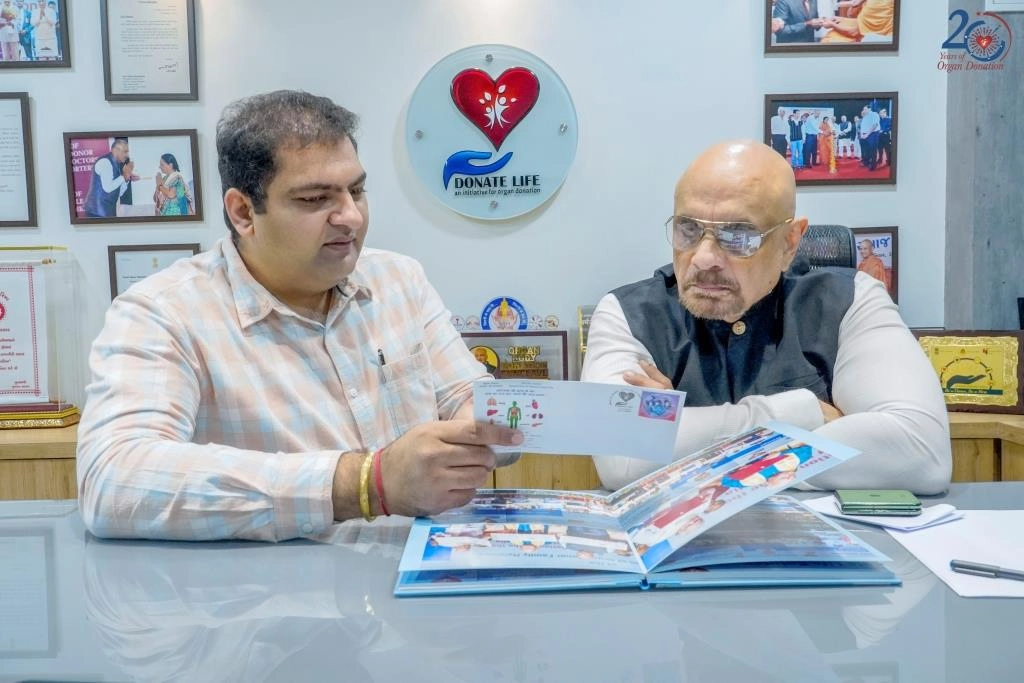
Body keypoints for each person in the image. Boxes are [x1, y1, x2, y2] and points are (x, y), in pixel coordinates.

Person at [77, 90, 524, 542]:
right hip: (276, 585)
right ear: (244, 212)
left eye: (357, 191)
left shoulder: (399, 280)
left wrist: (486, 429)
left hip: (423, 573)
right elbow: (114, 481)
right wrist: (365, 483)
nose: (351, 217)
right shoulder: (163, 313)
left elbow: (465, 397)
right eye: (315, 199)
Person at [579, 140, 951, 494]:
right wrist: (800, 413)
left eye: (738, 235)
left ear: (790, 242)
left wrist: (680, 427)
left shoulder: (849, 301)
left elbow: (921, 453)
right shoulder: (629, 314)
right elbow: (623, 458)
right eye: (688, 230)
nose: (704, 258)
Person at [83, 137, 136, 218]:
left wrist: (126, 178)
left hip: (108, 212)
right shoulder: (105, 162)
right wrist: (123, 176)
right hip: (96, 213)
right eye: (125, 152)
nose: (127, 155)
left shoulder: (118, 164)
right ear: (116, 150)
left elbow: (119, 193)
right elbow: (108, 188)